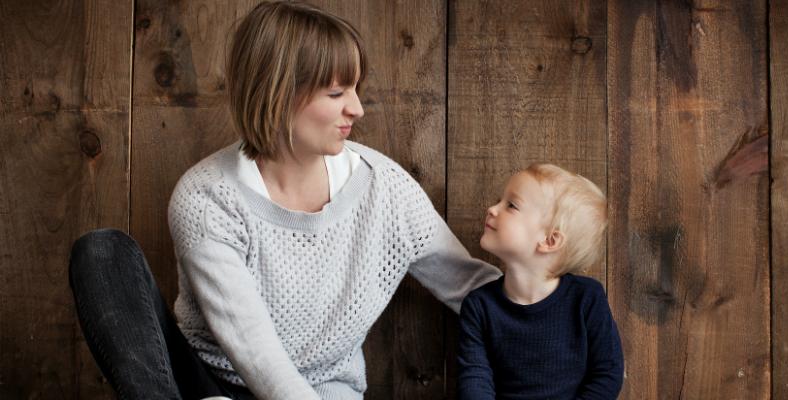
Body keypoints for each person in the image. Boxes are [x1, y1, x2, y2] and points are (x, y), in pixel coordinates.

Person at [68, 2, 501, 399]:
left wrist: (565, 304)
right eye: (336, 94)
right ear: (278, 94)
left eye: (354, 90)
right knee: (101, 253)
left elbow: (471, 287)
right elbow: (253, 350)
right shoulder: (206, 197)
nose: (357, 109)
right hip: (207, 383)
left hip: (324, 389)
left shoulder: (384, 187)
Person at [457, 164, 624, 399]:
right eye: (500, 201)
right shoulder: (479, 306)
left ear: (550, 240)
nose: (492, 209)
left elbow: (608, 373)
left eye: (511, 205)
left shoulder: (586, 298)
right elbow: (474, 379)